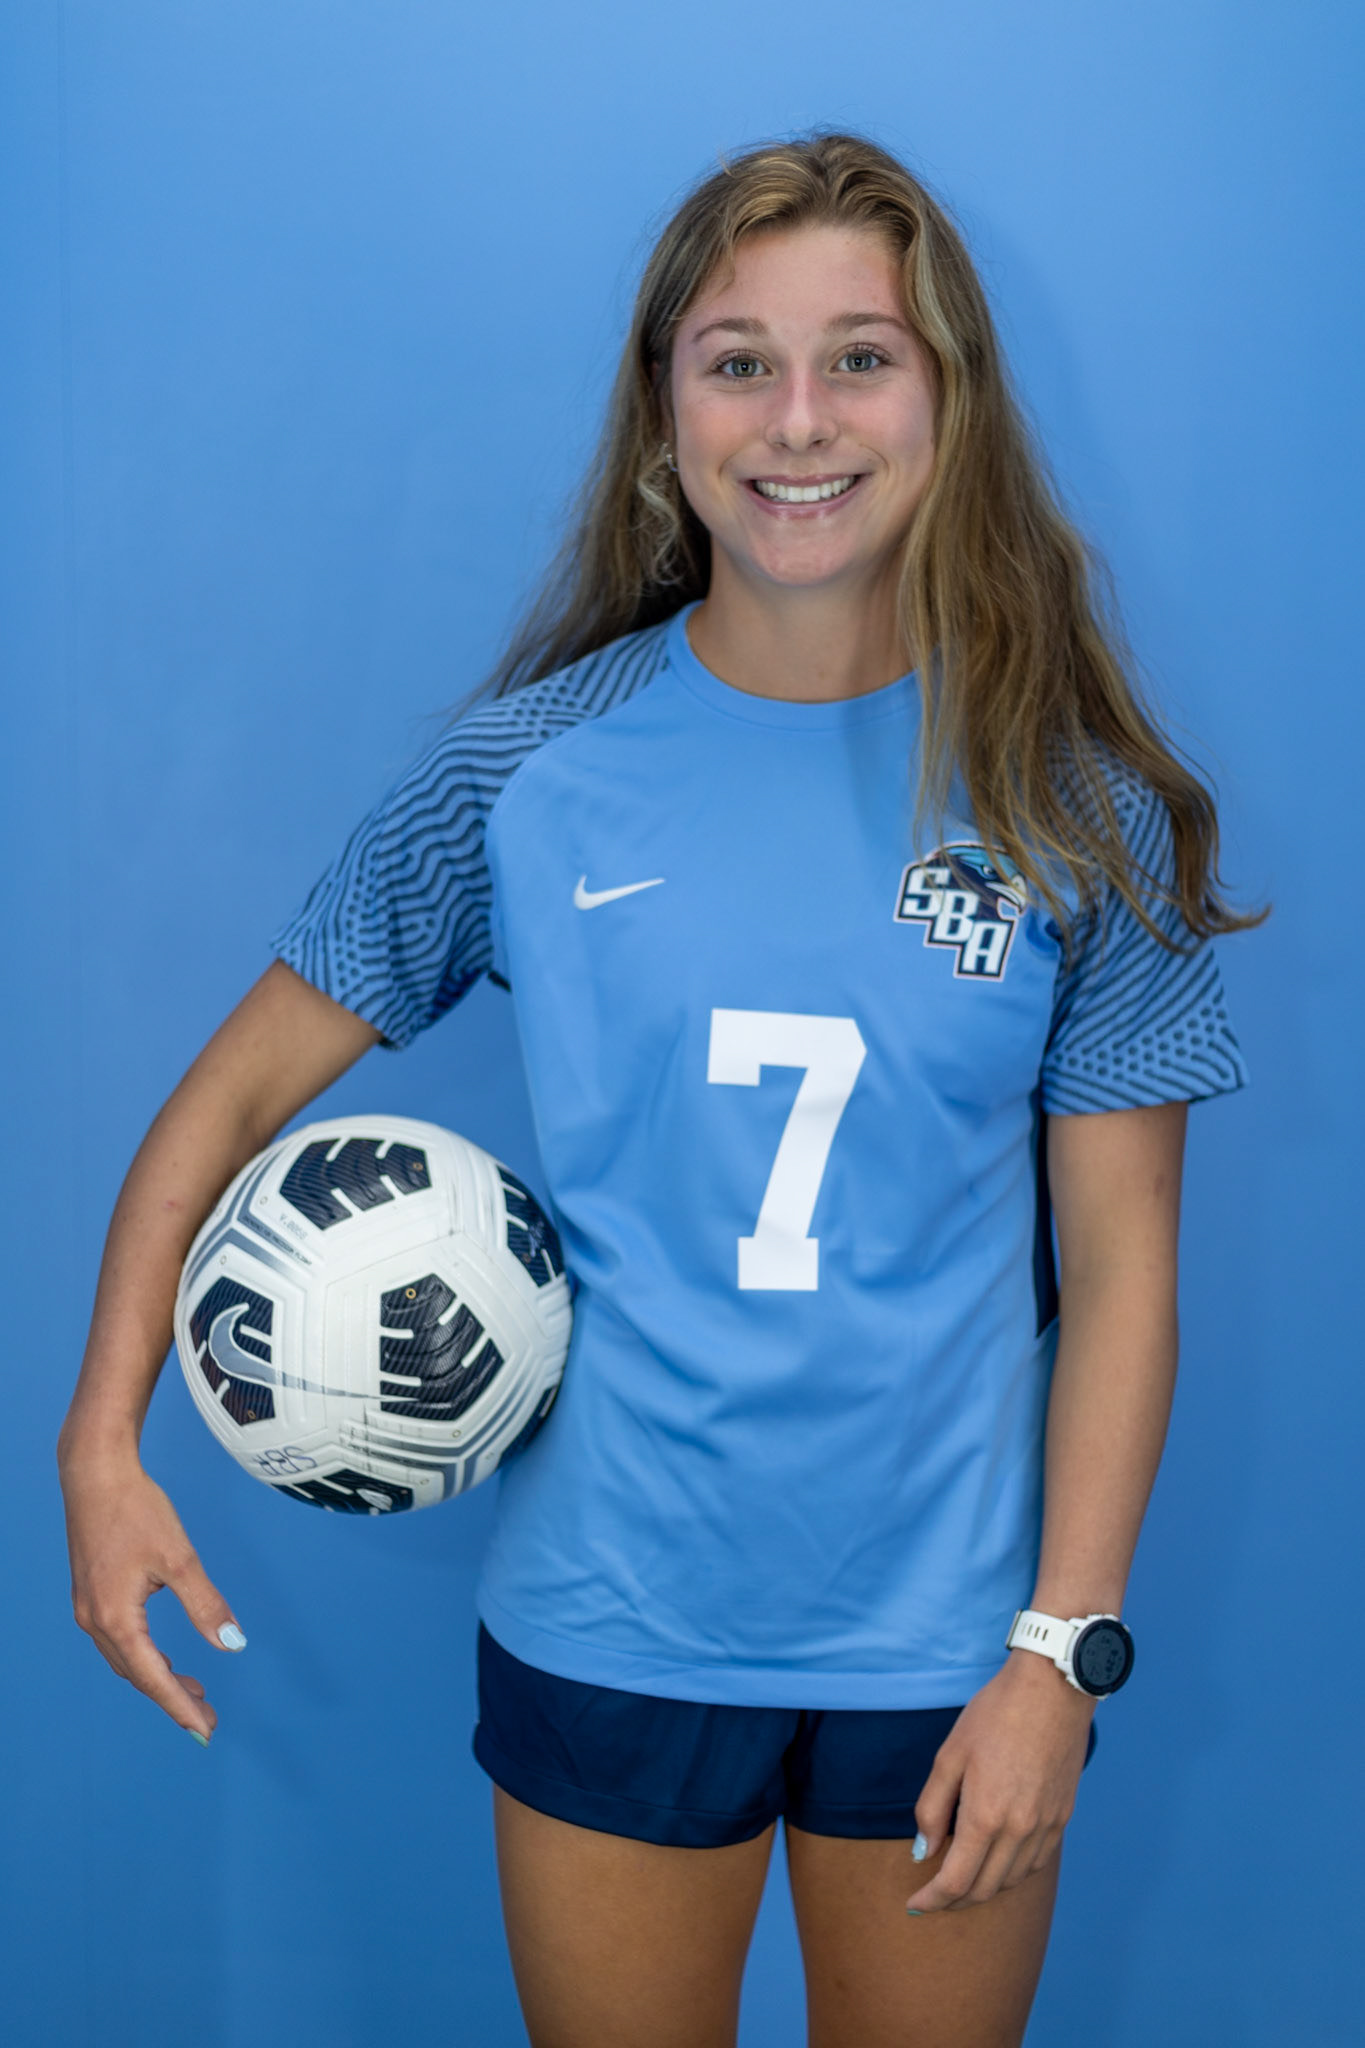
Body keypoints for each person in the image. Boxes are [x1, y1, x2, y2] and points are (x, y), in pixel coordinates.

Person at [58, 131, 1257, 2048]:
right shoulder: (520, 778)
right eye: (736, 359)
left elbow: (1122, 1272)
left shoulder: (1069, 810)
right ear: (661, 412)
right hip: (609, 1623)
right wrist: (101, 1445)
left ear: (951, 407)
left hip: (954, 1655)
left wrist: (1060, 1656)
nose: (800, 418)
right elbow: (217, 1110)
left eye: (862, 356)